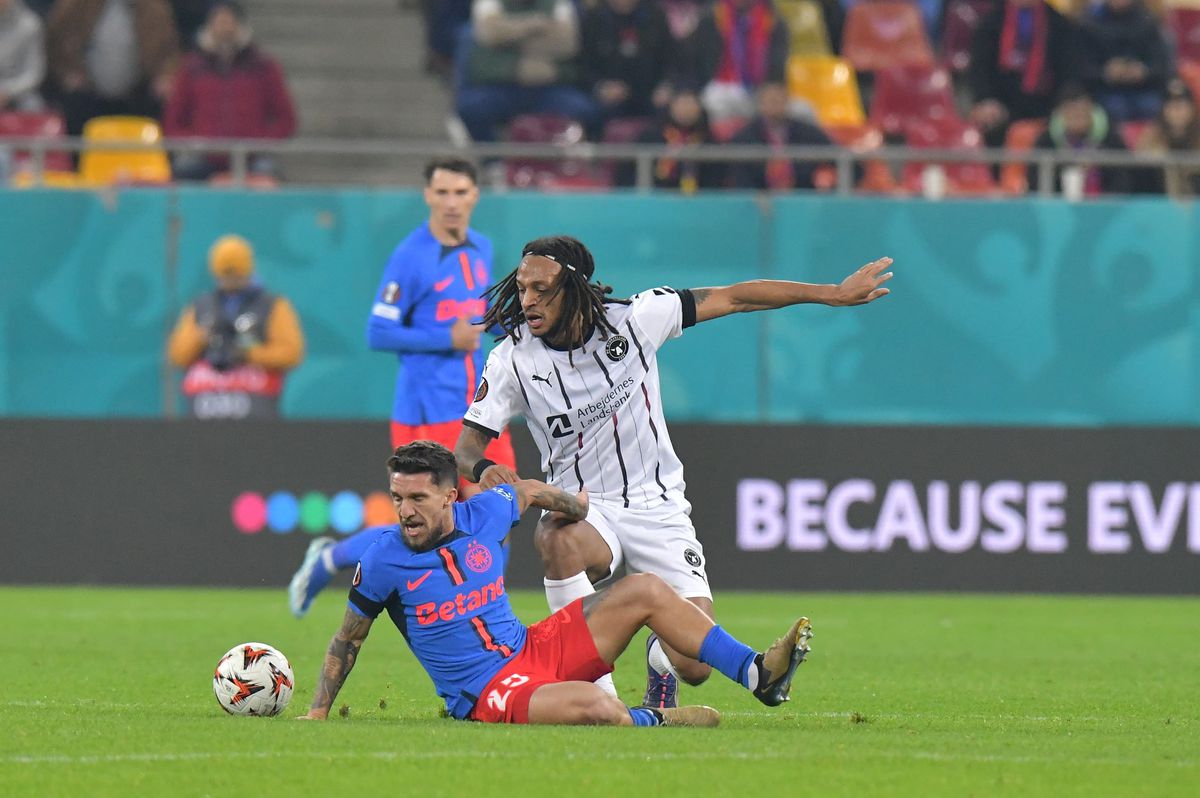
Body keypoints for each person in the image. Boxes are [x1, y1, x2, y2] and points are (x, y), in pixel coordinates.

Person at [455, 235, 890, 708]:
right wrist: (484, 467)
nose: (527, 300)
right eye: (522, 288)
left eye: (541, 289)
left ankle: (660, 658)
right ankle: (595, 692)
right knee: (556, 537)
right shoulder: (512, 359)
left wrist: (831, 294)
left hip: (657, 506)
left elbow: (735, 297)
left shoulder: (638, 319)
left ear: (574, 287)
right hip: (584, 507)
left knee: (695, 667)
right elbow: (466, 448)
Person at [298, 441, 813, 726]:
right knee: (596, 707)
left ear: (450, 496)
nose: (405, 511)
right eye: (398, 499)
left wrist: (578, 508)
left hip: (535, 646)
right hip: (488, 690)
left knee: (646, 589)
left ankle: (757, 674)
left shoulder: (486, 513)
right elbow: (348, 639)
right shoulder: (383, 558)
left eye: (418, 499)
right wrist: (318, 711)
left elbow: (528, 491)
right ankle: (655, 719)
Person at [286, 158, 518, 618]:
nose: (451, 202)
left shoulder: (481, 248)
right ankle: (331, 558)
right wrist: (445, 337)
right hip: (428, 409)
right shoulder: (411, 256)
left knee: (500, 511)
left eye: (460, 192)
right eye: (442, 192)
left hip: (479, 407)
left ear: (475, 196)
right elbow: (378, 330)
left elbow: (478, 318)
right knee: (427, 523)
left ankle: (483, 614)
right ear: (427, 196)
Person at [166, 234, 305, 419]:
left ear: (248, 270)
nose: (230, 281)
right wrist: (202, 336)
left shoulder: (272, 306)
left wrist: (248, 354)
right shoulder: (201, 306)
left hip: (256, 412)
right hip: (206, 411)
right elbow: (177, 355)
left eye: (236, 274)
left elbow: (291, 353)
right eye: (224, 275)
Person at [162, 0, 296, 181]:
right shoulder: (191, 68)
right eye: (219, 23)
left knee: (267, 173)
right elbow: (173, 120)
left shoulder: (263, 67)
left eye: (229, 22)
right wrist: (196, 142)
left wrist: (262, 142)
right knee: (182, 172)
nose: (225, 29)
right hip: (205, 157)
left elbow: (286, 118)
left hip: (252, 157)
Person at [454, 0, 599, 143]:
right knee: (471, 108)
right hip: (501, 87)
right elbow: (490, 34)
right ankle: (494, 158)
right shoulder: (489, 4)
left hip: (547, 89)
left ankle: (559, 156)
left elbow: (566, 43)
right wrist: (537, 26)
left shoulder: (559, 4)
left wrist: (507, 41)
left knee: (585, 110)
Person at [45, 0, 180, 136]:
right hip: (86, 96)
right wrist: (68, 74)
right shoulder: (76, 5)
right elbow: (57, 41)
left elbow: (168, 49)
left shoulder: (154, 8)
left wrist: (164, 76)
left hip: (138, 96)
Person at [966, 0, 1080, 150]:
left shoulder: (1059, 24)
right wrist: (986, 98)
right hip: (1001, 104)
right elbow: (980, 65)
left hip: (1046, 104)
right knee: (989, 126)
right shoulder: (991, 21)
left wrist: (1062, 105)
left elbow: (1068, 70)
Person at [682, 0, 790, 122]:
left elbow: (778, 63)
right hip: (721, 86)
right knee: (711, 106)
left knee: (801, 111)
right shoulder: (713, 17)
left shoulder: (772, 19)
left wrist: (771, 93)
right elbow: (694, 62)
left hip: (761, 89)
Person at [728, 80, 840, 191]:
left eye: (778, 100)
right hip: (756, 196)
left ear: (787, 102)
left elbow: (837, 155)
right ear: (760, 104)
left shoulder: (808, 132)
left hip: (802, 194)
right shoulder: (745, 136)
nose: (774, 105)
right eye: (770, 100)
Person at [580, 0, 676, 125]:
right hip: (611, 96)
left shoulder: (655, 15)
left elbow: (671, 60)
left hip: (651, 93)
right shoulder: (594, 18)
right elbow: (585, 65)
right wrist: (601, 87)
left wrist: (665, 86)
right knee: (593, 112)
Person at [614, 87, 726, 191]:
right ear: (671, 107)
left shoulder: (708, 138)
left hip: (697, 198)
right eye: (681, 104)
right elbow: (626, 171)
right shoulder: (652, 135)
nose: (686, 110)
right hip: (654, 195)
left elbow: (716, 178)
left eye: (690, 105)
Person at [1076, 0, 1169, 123]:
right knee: (1115, 107)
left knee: (1152, 106)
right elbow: (1081, 66)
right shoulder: (1089, 24)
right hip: (1104, 89)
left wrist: (1143, 71)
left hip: (1144, 89)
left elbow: (1161, 64)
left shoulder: (1148, 22)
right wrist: (1105, 73)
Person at [1031, 83, 1133, 195]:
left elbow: (1125, 180)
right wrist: (1068, 166)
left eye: (1082, 110)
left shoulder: (1111, 139)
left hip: (1106, 202)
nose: (1077, 116)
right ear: (1061, 113)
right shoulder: (1046, 141)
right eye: (1071, 111)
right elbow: (1035, 183)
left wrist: (1098, 164)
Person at [1135, 78, 1200, 197]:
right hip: (1158, 200)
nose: (1178, 112)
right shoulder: (1151, 137)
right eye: (1172, 107)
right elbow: (1141, 175)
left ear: (1192, 109)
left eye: (1183, 106)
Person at [0, 0, 46, 111]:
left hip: (18, 95)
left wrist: (7, 92)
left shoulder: (30, 25)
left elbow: (33, 74)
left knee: (33, 107)